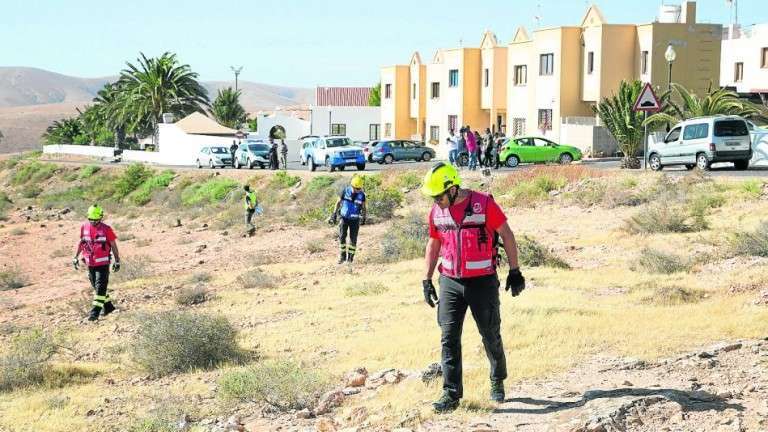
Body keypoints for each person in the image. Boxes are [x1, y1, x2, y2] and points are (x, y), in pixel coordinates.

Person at [420, 162, 526, 413]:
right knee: (448, 338)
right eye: (433, 197)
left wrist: (515, 270)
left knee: (490, 334)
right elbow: (433, 243)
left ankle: (497, 379)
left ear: (453, 188)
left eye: (439, 196)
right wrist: (426, 279)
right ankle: (451, 392)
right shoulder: (436, 212)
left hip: (482, 282)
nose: (436, 201)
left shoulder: (484, 204)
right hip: (450, 282)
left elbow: (507, 235)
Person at [72, 204, 121, 321]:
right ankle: (109, 307)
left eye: (96, 220)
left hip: (103, 264)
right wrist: (75, 257)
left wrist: (117, 261)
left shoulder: (106, 229)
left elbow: (113, 245)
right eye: (91, 219)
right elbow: (82, 242)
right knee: (96, 286)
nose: (93, 222)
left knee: (100, 288)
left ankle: (94, 314)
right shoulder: (84, 227)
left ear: (101, 217)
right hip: (90, 263)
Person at [327, 175, 367, 264]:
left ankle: (350, 260)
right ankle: (342, 257)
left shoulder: (362, 195)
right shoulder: (345, 191)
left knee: (353, 239)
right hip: (344, 218)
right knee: (342, 237)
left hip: (355, 220)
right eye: (356, 188)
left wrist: (364, 217)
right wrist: (334, 214)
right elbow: (338, 202)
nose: (358, 190)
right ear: (352, 186)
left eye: (360, 188)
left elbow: (364, 207)